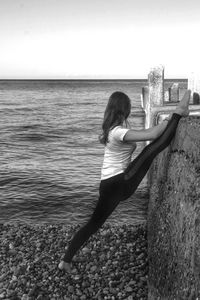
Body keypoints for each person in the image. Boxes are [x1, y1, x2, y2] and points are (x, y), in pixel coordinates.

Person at [58, 89, 191, 272]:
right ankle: (179, 111)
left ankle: (65, 261)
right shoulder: (118, 132)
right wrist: (170, 116)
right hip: (119, 183)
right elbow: (153, 134)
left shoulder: (110, 130)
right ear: (124, 109)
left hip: (108, 185)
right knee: (151, 150)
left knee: (93, 224)